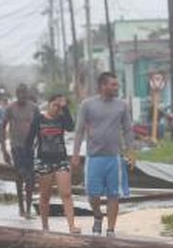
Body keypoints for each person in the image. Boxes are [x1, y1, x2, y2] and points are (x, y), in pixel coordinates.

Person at [72, 71, 133, 237]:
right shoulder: (87, 105)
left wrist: (131, 151)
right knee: (93, 194)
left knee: (114, 194)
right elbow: (79, 131)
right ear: (103, 86)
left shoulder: (122, 105)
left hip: (114, 157)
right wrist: (76, 154)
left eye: (116, 84)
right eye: (113, 84)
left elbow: (127, 130)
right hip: (94, 157)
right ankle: (97, 215)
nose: (116, 87)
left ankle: (111, 228)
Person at [27, 92, 80, 234]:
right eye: (54, 105)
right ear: (48, 104)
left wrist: (66, 108)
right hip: (44, 161)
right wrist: (28, 160)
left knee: (66, 193)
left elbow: (71, 127)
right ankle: (45, 226)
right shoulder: (39, 119)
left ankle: (72, 226)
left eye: (59, 106)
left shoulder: (62, 118)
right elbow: (29, 139)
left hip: (61, 160)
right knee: (45, 196)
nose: (57, 109)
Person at [0, 84, 40, 218]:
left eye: (24, 93)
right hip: (16, 146)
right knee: (21, 176)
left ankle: (28, 208)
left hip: (30, 147)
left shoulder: (34, 108)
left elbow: (40, 126)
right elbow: (2, 127)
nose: (22, 96)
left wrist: (39, 144)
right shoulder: (10, 108)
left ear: (27, 94)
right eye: (19, 94)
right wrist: (4, 150)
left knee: (30, 179)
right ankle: (21, 207)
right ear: (16, 94)